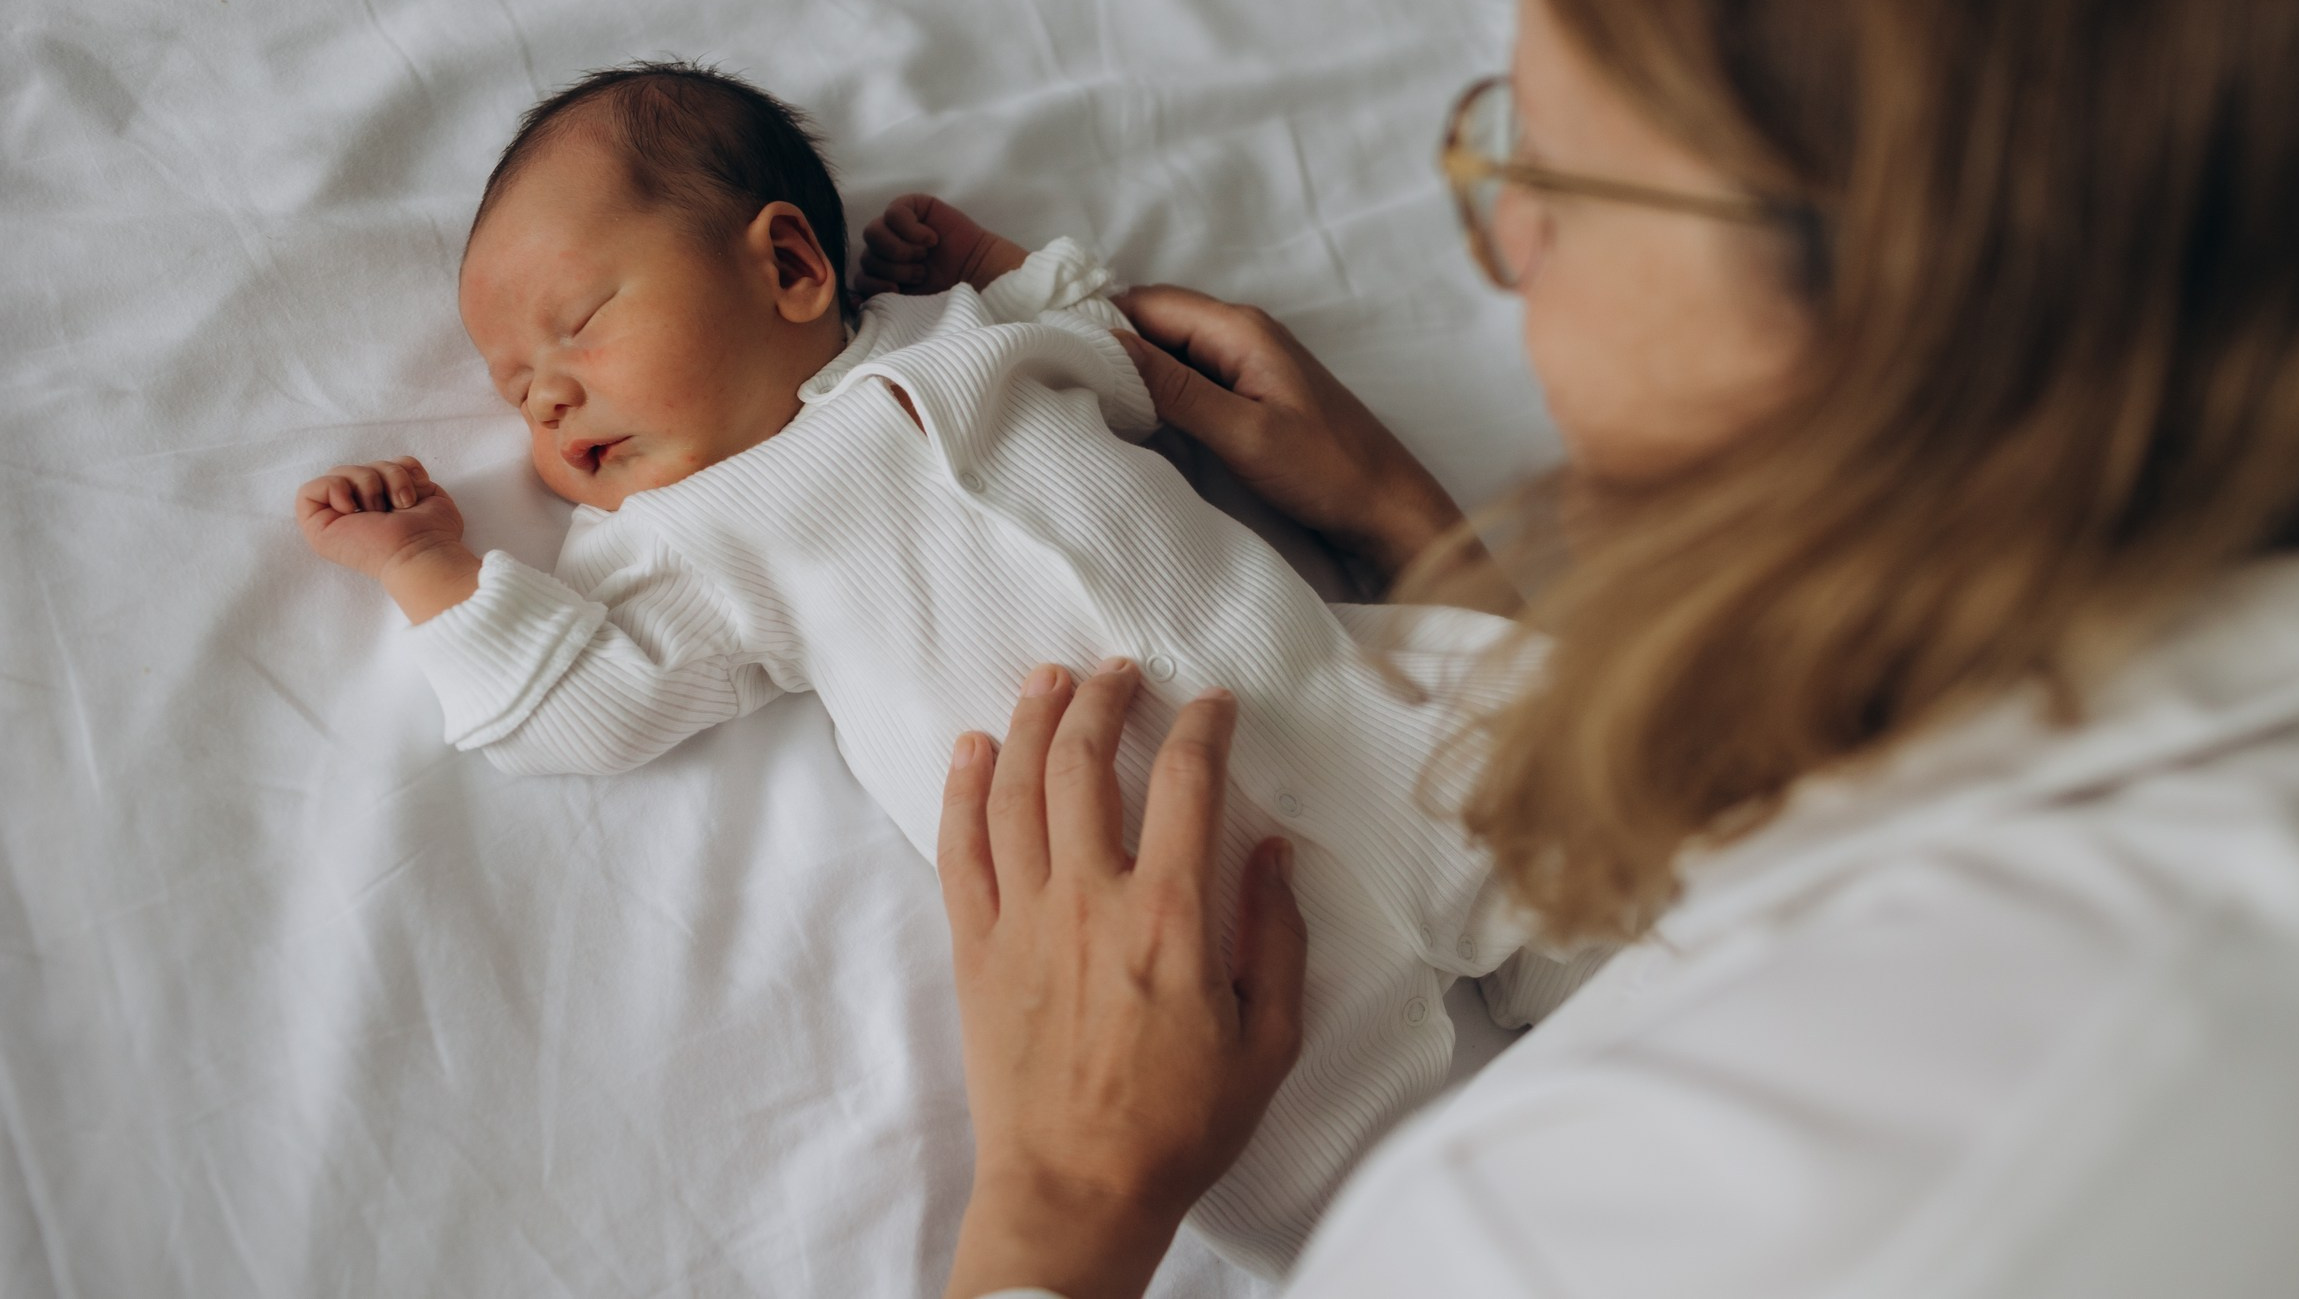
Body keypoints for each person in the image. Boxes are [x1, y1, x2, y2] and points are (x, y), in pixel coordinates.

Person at [931, 0, 2299, 1294]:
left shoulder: (1612, 1226)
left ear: (1909, 308)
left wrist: (1058, 1205)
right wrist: (1434, 554)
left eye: (1547, 168)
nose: (1507, 233)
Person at [291, 63, 1593, 1275]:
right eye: (516, 390)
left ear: (792, 264)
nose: (548, 402)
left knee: (1597, 828)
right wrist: (429, 571)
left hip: (1366, 720)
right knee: (1384, 1217)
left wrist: (988, 261)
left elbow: (1093, 324)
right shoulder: (688, 536)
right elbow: (579, 700)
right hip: (1186, 933)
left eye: (574, 327)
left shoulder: (966, 337)